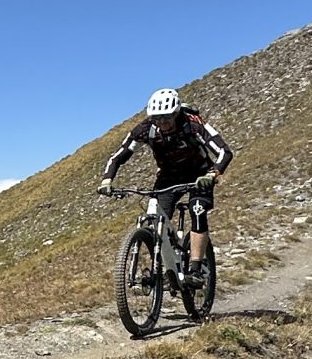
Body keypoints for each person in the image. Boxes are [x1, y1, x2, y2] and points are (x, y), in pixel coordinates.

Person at [96, 88, 233, 273]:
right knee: (156, 217)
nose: (162, 122)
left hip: (200, 175)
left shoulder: (193, 123)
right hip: (169, 176)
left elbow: (224, 152)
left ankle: (196, 268)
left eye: (167, 117)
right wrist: (107, 180)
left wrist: (212, 174)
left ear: (176, 113)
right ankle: (164, 268)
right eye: (157, 118)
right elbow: (118, 156)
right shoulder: (145, 129)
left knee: (197, 210)